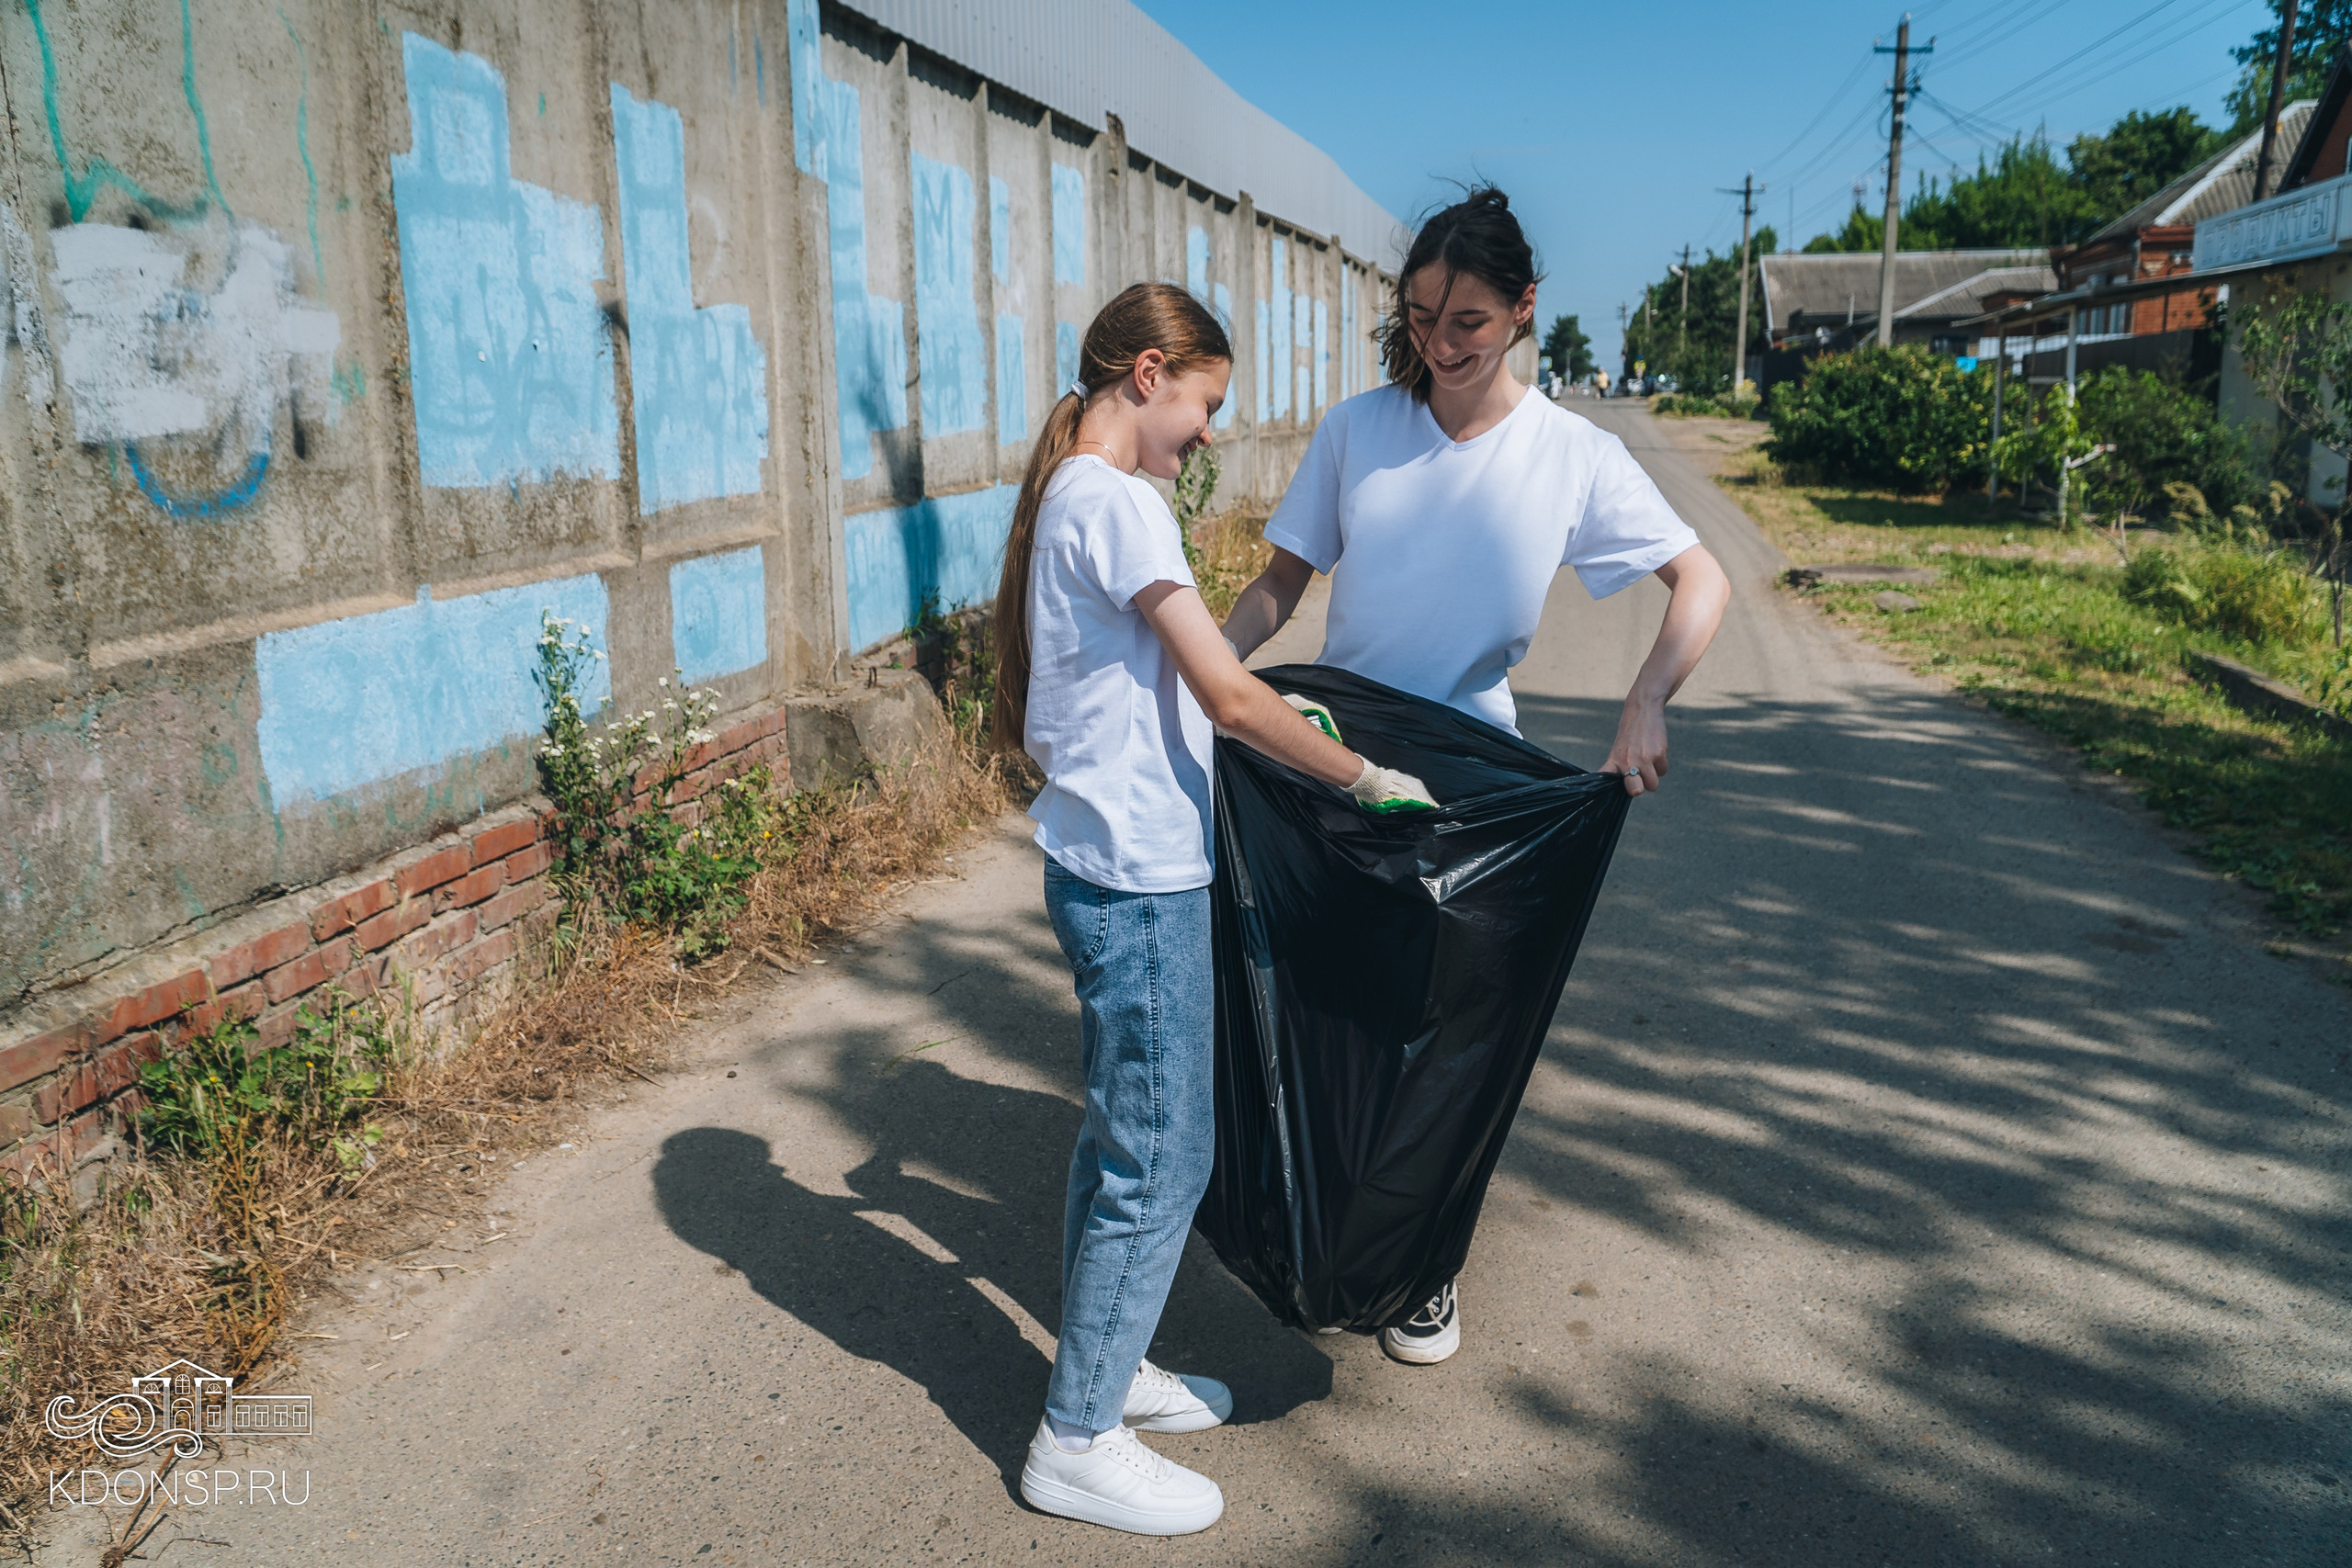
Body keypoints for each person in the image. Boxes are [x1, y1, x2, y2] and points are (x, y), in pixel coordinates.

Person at [1221, 187, 1730, 1368]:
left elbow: (1699, 583)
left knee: (1454, 1037)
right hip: (1342, 764)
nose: (1441, 348)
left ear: (1523, 312)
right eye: (1420, 320)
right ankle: (1316, 1231)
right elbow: (1279, 586)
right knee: (1335, 1006)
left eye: (1468, 324)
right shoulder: (1358, 429)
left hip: (1473, 786)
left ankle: (1423, 1268)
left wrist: (1646, 696)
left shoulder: (1571, 453)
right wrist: (1200, 664)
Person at [993, 282, 1436, 1535]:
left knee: (1118, 1138)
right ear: (1147, 373)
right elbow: (1231, 700)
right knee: (1161, 1151)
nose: (1205, 434)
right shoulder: (1121, 502)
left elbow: (1195, 681)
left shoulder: (1072, 497)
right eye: (1204, 404)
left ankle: (1107, 1365)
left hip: (1107, 863)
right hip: (1136, 880)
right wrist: (1364, 778)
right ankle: (1076, 1436)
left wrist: (1281, 702)